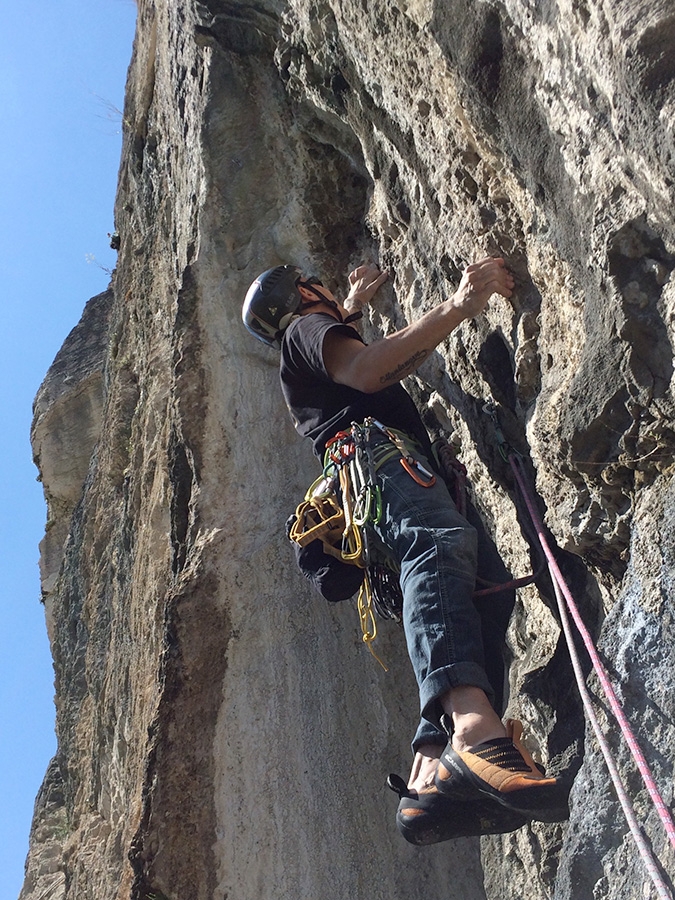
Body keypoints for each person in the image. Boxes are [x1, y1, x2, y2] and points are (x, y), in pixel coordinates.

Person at [242, 259, 568, 844]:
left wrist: (356, 310)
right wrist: (459, 306)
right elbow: (367, 372)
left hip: (372, 475)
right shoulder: (306, 331)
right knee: (437, 547)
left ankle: (432, 771)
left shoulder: (309, 343)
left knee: (482, 597)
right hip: (378, 462)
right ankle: (473, 729)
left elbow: (362, 368)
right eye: (316, 284)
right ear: (303, 294)